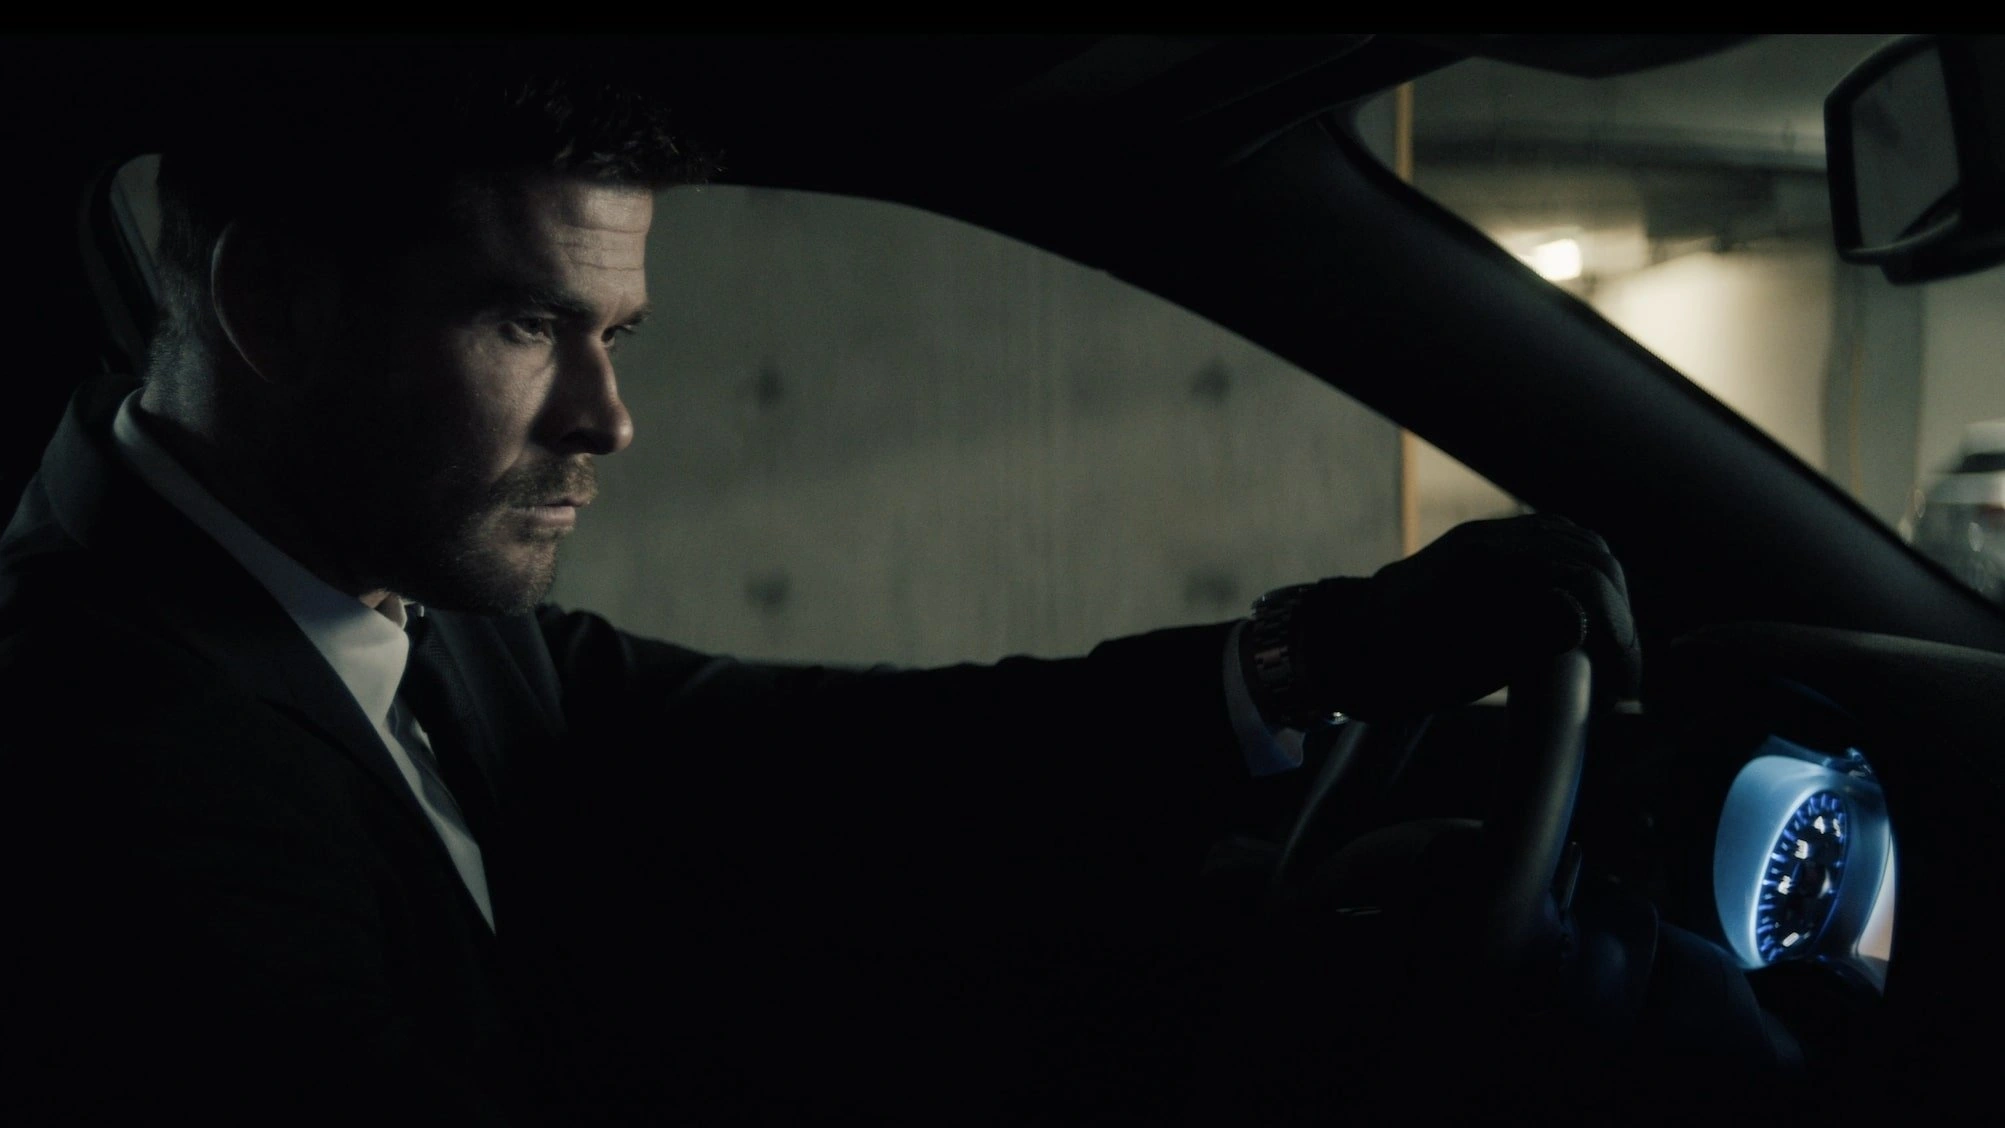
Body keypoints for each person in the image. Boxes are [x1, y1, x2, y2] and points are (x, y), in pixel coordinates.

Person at [0, 59, 1637, 1124]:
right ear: (274, 305)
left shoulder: (369, 609)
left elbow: (794, 753)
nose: (606, 419)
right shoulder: (95, 747)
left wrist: (1307, 660)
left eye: (614, 337)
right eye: (525, 325)